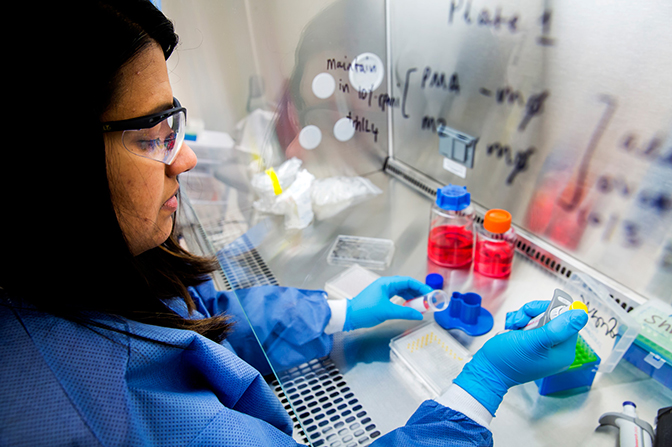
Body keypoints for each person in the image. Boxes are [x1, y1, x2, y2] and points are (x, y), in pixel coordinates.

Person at [0, 1, 588, 446]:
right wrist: (483, 384)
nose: (185, 157)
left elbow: (203, 322)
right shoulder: (98, 409)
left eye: (174, 127)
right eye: (152, 135)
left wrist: (342, 310)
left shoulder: (78, 273)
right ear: (53, 165)